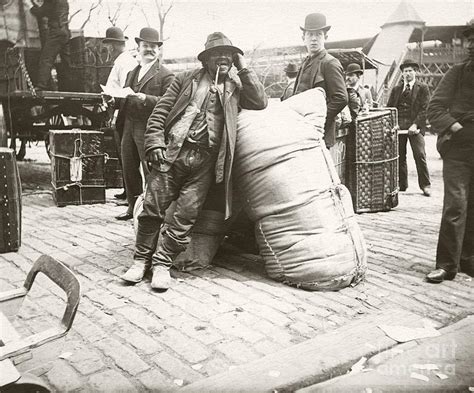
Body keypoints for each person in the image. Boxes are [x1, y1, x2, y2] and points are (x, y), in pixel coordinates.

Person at [120, 32, 267, 289]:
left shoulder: (235, 87)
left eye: (228, 55)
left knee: (185, 216)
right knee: (152, 209)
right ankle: (140, 260)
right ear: (206, 60)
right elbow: (159, 113)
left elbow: (260, 102)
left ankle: (162, 264)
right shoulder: (184, 80)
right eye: (216, 55)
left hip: (205, 164)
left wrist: (243, 67)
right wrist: (155, 143)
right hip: (173, 155)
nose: (222, 58)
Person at [425, 22, 474, 283]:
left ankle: (468, 261)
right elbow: (434, 109)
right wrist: (456, 127)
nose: (473, 46)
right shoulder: (456, 73)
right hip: (458, 150)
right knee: (456, 206)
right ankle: (446, 265)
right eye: (471, 41)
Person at [114, 27, 174, 221]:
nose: (149, 49)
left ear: (159, 50)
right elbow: (124, 95)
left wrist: (145, 98)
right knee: (129, 168)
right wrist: (112, 99)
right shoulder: (133, 72)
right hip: (129, 125)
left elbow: (170, 102)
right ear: (138, 48)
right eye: (145, 46)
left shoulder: (165, 75)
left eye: (153, 46)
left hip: (150, 128)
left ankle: (152, 211)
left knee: (151, 171)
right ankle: (133, 208)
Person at [292, 13, 348, 148]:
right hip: (301, 132)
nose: (314, 39)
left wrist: (318, 120)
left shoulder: (330, 63)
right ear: (303, 38)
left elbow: (341, 98)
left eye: (318, 34)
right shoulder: (305, 63)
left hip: (318, 134)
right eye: (310, 35)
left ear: (326, 37)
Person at [102, 26, 138, 201]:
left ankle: (131, 194)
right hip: (120, 107)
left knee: (126, 153)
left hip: (123, 108)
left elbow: (126, 88)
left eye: (108, 45)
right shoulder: (124, 60)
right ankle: (127, 191)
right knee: (123, 152)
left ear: (113, 45)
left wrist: (113, 104)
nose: (107, 49)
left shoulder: (124, 62)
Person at [387, 59, 431, 196]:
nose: (407, 74)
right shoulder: (396, 89)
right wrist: (394, 124)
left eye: (410, 71)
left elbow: (425, 108)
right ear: (402, 73)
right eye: (405, 71)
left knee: (420, 155)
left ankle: (425, 185)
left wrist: (415, 124)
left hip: (415, 127)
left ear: (415, 72)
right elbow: (390, 108)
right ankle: (402, 184)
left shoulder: (422, 88)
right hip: (399, 126)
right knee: (400, 156)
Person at [30, 0, 70, 90]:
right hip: (65, 32)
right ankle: (68, 87)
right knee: (66, 63)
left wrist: (31, 7)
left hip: (56, 33)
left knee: (46, 59)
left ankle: (42, 85)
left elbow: (40, 12)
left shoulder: (51, 1)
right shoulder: (64, 1)